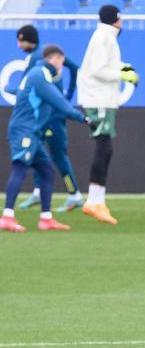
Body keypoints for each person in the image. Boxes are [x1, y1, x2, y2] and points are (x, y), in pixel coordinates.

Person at [2, 46, 95, 232]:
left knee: (46, 171)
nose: (63, 65)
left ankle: (46, 219)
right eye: (62, 60)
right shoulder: (40, 74)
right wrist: (83, 118)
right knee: (20, 167)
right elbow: (58, 102)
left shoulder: (39, 73)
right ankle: (7, 216)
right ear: (55, 59)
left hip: (34, 133)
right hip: (25, 131)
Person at [8, 26, 85, 214]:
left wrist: (66, 96)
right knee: (37, 151)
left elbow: (25, 88)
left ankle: (74, 193)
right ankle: (38, 193)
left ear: (29, 40)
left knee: (57, 155)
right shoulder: (47, 53)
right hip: (47, 113)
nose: (19, 45)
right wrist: (68, 94)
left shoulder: (39, 58)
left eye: (21, 41)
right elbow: (74, 68)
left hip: (52, 115)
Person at [77, 4, 138, 225]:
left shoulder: (106, 36)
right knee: (104, 147)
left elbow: (105, 65)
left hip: (104, 100)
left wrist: (124, 69)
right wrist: (124, 75)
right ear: (115, 19)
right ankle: (94, 201)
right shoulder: (103, 37)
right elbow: (98, 70)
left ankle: (97, 201)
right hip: (99, 100)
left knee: (105, 148)